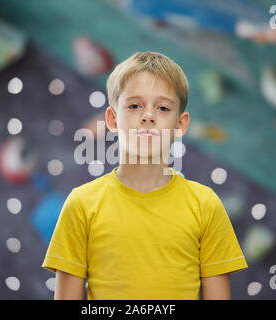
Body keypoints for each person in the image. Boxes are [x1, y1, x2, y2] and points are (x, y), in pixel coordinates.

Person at [42, 51, 248, 300]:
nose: (148, 115)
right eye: (134, 105)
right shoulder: (81, 205)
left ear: (180, 125)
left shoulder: (205, 205)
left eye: (162, 107)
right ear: (112, 119)